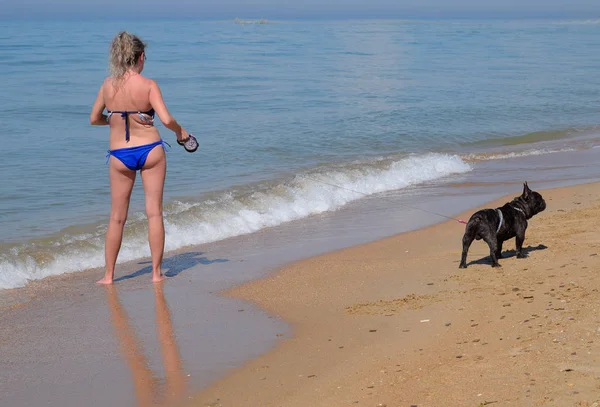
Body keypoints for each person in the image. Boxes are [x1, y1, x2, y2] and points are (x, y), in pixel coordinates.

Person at [90, 31, 190, 284]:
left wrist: (114, 119)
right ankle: (156, 274)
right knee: (154, 213)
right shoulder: (148, 85)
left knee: (117, 217)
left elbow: (94, 119)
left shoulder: (107, 85)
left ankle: (109, 276)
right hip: (150, 150)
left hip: (119, 154)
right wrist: (182, 133)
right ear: (141, 57)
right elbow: (166, 119)